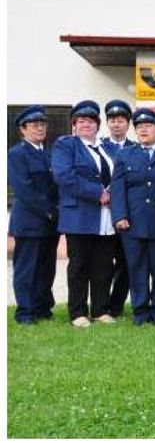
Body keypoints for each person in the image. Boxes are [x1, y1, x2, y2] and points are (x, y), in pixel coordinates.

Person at [51, 100, 117, 328]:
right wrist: (98, 193)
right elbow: (64, 176)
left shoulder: (108, 147)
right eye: (81, 121)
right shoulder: (66, 145)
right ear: (74, 125)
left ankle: (100, 310)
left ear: (98, 125)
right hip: (79, 216)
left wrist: (114, 195)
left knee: (103, 265)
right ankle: (78, 312)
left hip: (106, 217)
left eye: (90, 121)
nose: (86, 124)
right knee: (79, 266)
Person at [111, 108, 155, 326]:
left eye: (148, 126)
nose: (143, 130)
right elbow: (117, 188)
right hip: (133, 223)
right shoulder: (125, 154)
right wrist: (119, 216)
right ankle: (140, 311)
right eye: (139, 127)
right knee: (136, 269)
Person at [7, 106, 59, 326]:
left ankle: (42, 308)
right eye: (34, 125)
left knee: (47, 268)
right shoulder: (17, 153)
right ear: (23, 129)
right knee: (27, 269)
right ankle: (25, 312)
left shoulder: (46, 153)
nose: (40, 128)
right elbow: (23, 189)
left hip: (50, 222)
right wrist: (48, 210)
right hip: (30, 221)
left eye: (43, 124)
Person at [100, 98, 133, 317]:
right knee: (102, 264)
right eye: (112, 120)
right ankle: (102, 306)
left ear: (128, 123)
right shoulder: (99, 146)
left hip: (125, 215)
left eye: (120, 120)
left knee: (125, 263)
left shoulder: (134, 148)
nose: (116, 124)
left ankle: (116, 306)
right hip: (101, 214)